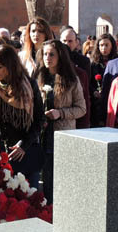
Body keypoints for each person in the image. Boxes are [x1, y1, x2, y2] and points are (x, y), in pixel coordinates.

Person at [0, 44, 45, 186]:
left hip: (26, 152)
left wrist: (24, 144)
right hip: (0, 154)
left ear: (10, 66)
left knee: (30, 202)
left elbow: (39, 119)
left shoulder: (29, 85)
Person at [33, 41, 86, 203]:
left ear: (60, 56)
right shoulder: (37, 77)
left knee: (60, 180)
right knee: (45, 179)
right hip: (41, 135)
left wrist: (60, 113)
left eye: (52, 54)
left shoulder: (71, 80)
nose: (47, 58)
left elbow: (81, 109)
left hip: (62, 135)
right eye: (45, 54)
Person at [89, 33, 118, 127]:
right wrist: (94, 91)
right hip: (97, 103)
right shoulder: (93, 63)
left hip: (113, 100)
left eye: (107, 45)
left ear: (112, 46)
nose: (104, 48)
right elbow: (88, 82)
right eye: (101, 45)